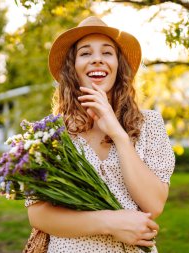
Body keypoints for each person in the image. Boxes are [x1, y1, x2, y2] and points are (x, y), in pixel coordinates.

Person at [26, 16, 175, 253]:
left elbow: (154, 204)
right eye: (85, 53)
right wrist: (109, 222)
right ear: (72, 68)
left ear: (118, 65)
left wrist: (118, 134)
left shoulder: (149, 124)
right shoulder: (49, 135)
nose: (97, 59)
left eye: (107, 53)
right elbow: (38, 214)